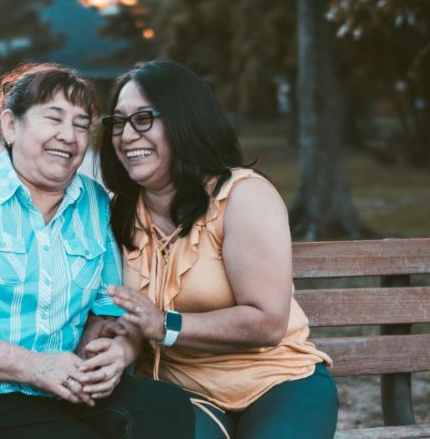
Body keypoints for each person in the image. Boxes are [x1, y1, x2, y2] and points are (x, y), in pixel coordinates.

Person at [0, 62, 194, 439]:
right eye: (53, 118)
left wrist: (114, 351)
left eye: (80, 124)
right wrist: (34, 367)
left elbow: (108, 312)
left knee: (163, 405)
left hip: (60, 395)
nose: (69, 136)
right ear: (11, 125)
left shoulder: (93, 203)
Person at [97, 60, 338, 439]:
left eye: (143, 118)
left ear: (185, 121)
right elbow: (123, 315)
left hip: (277, 383)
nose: (126, 135)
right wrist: (120, 349)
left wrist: (165, 324)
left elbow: (267, 322)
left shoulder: (242, 197)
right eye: (118, 121)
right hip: (181, 393)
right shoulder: (118, 212)